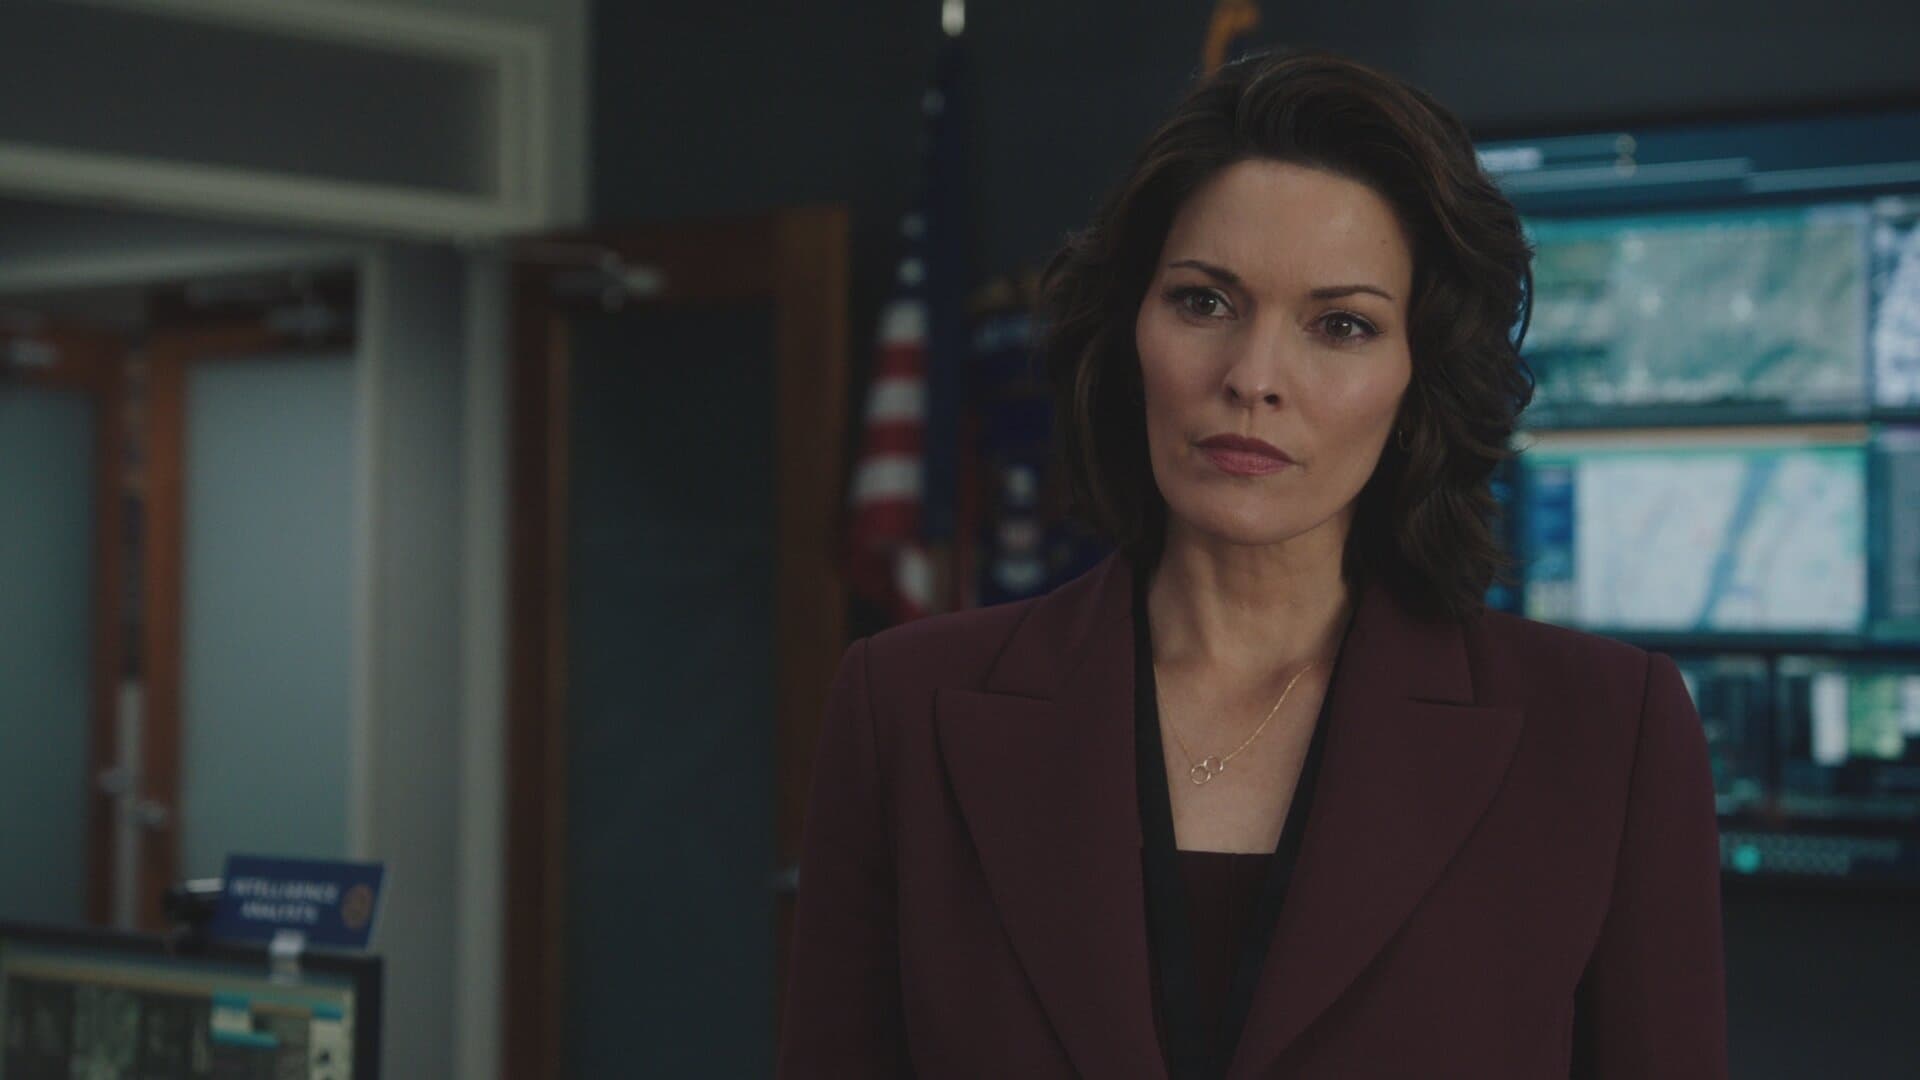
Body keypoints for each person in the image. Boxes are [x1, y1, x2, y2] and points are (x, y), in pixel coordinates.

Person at [777, 45, 1727, 1079]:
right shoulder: (903, 709)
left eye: (1341, 325)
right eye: (1205, 302)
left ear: (1422, 375)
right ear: (1129, 327)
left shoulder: (1607, 734)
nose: (1254, 377)